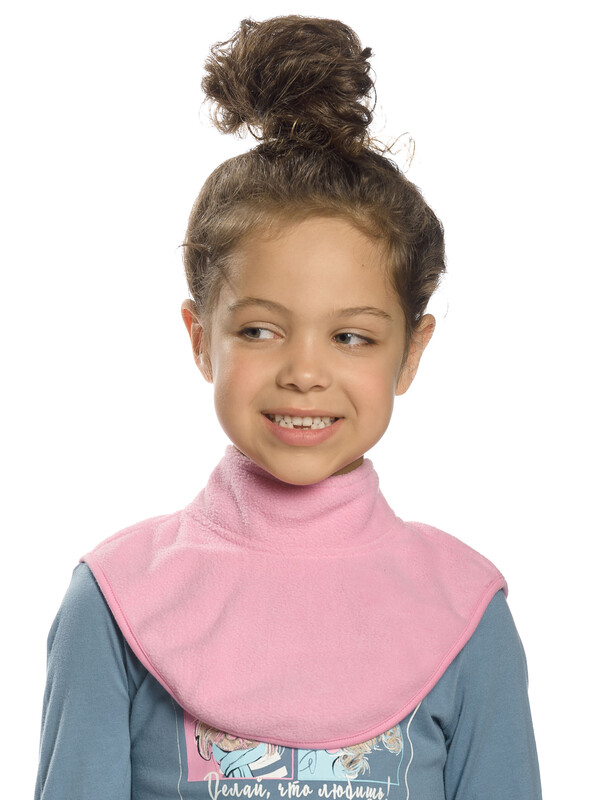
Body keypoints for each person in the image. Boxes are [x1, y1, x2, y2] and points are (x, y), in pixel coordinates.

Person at [34, 15, 543, 800]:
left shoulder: (467, 614)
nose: (305, 373)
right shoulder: (112, 602)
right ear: (200, 339)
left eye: (351, 337)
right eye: (260, 330)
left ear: (411, 352)